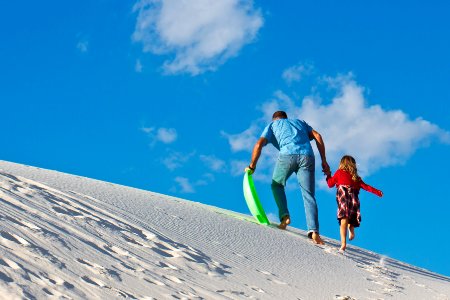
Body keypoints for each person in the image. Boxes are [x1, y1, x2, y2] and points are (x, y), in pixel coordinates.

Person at [246, 111, 330, 245]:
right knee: (309, 195)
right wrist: (324, 160)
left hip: (287, 155)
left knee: (276, 185)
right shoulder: (300, 123)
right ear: (286, 117)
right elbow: (317, 135)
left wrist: (252, 166)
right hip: (308, 156)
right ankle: (314, 232)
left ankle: (284, 216)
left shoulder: (273, 125)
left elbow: (258, 144)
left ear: (275, 119)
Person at [325, 155, 383, 252]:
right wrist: (378, 192)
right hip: (353, 200)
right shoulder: (356, 178)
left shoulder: (339, 173)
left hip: (343, 199)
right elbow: (366, 187)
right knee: (351, 218)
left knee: (343, 220)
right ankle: (351, 230)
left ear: (342, 164)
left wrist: (328, 175)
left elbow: (330, 184)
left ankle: (343, 243)